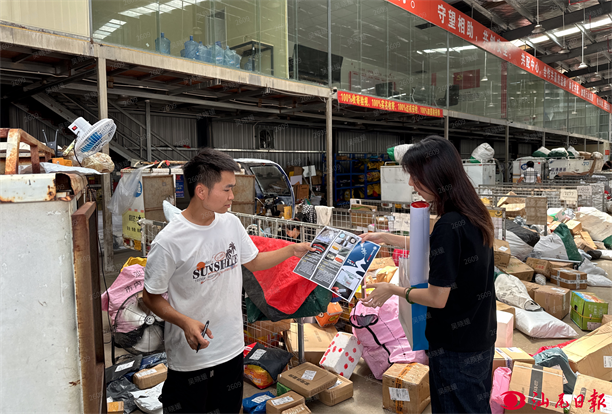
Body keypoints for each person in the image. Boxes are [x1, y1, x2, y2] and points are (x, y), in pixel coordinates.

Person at [142, 148, 314, 414]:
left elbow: (253, 261)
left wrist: (292, 250)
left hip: (231, 349)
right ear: (201, 191)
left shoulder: (231, 224)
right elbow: (150, 296)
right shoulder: (169, 241)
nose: (233, 196)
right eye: (227, 189)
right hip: (192, 357)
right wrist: (184, 321)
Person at [360, 135, 496, 414]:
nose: (411, 184)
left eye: (416, 176)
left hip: (455, 347)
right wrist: (385, 237)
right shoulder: (472, 212)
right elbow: (437, 245)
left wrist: (393, 290)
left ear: (436, 175)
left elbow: (436, 298)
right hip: (479, 336)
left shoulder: (449, 224)